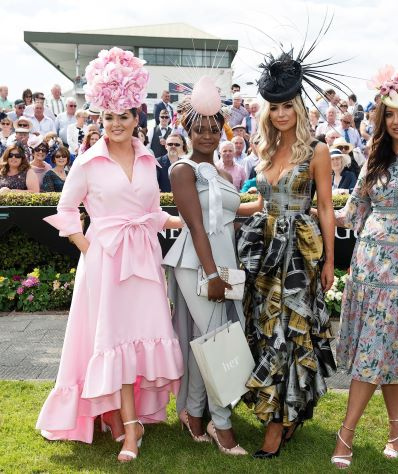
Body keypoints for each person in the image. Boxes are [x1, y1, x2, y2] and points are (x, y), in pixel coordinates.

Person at [36, 47, 184, 463]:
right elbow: (66, 211)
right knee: (115, 339)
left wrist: (182, 221)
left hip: (144, 260)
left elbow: (151, 212)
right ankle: (129, 426)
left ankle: (122, 417)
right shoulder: (86, 161)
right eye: (109, 117)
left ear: (137, 118)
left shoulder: (147, 157)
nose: (116, 124)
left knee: (139, 336)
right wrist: (89, 246)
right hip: (105, 261)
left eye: (124, 116)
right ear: (99, 118)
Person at [330, 67, 398, 469]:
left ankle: (346, 434)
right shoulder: (374, 157)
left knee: (379, 351)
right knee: (384, 351)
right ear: (381, 118)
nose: (396, 120)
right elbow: (353, 211)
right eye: (389, 113)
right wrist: (316, 208)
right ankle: (397, 428)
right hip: (369, 266)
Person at [236, 50, 336, 458]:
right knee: (264, 326)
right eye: (274, 107)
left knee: (290, 330)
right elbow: (258, 204)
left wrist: (330, 261)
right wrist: (217, 206)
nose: (280, 114)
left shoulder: (317, 151)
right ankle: (285, 410)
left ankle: (277, 425)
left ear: (298, 107)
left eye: (286, 107)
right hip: (264, 252)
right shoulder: (264, 150)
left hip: (298, 254)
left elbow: (326, 207)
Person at [163, 75, 248, 456]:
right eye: (200, 129)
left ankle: (193, 413)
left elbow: (229, 214)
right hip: (195, 262)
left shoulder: (226, 174)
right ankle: (222, 424)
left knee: (211, 339)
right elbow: (197, 225)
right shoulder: (182, 170)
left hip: (224, 262)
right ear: (188, 131)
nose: (209, 135)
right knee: (217, 339)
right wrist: (211, 274)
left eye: (214, 128)